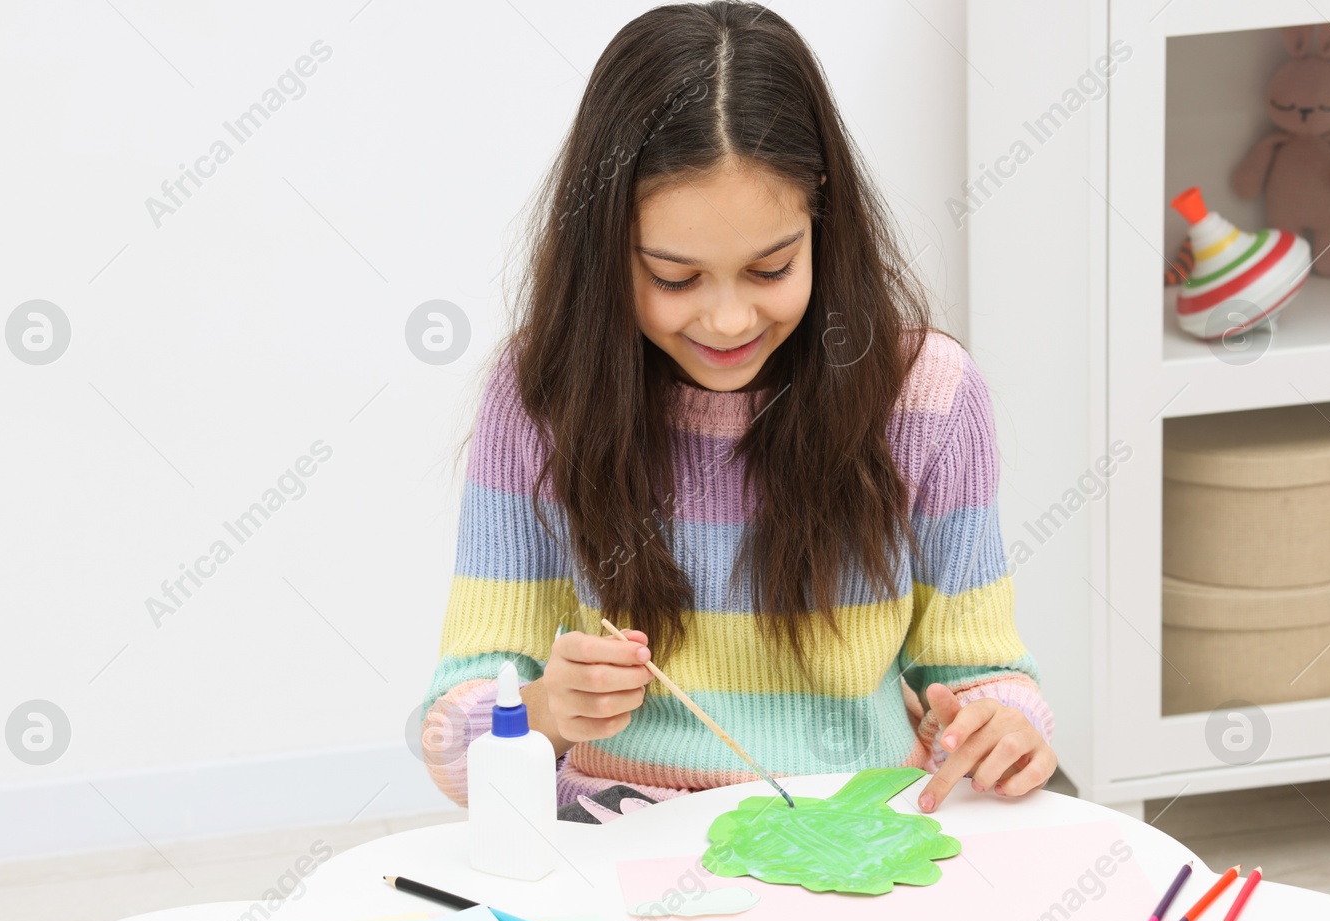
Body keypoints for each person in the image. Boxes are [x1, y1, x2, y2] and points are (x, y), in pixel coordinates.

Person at [419, 0, 1054, 821]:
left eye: (770, 269)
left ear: (823, 217)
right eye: (676, 278)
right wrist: (538, 711)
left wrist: (1010, 726)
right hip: (619, 845)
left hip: (858, 831)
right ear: (605, 244)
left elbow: (981, 675)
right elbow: (454, 742)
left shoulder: (925, 394)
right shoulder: (542, 394)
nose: (726, 321)